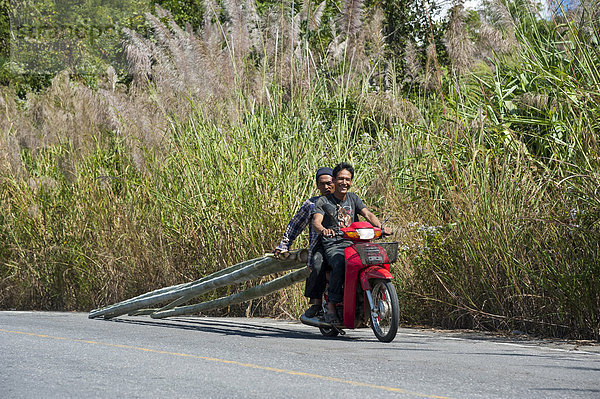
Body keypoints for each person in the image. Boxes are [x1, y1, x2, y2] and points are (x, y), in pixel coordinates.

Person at [312, 162, 392, 323]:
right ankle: (332, 306)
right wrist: (323, 230)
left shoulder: (353, 198)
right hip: (334, 244)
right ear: (333, 180)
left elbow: (368, 214)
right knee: (340, 262)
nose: (344, 182)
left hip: (355, 243)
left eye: (347, 179)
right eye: (340, 179)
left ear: (351, 181)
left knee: (376, 258)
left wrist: (381, 227)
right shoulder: (323, 201)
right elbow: (316, 221)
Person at [273, 167, 334, 318]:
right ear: (317, 185)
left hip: (342, 247)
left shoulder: (345, 202)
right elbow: (295, 225)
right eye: (323, 184)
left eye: (330, 183)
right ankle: (316, 303)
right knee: (317, 264)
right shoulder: (312, 204)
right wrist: (284, 245)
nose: (327, 187)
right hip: (320, 247)